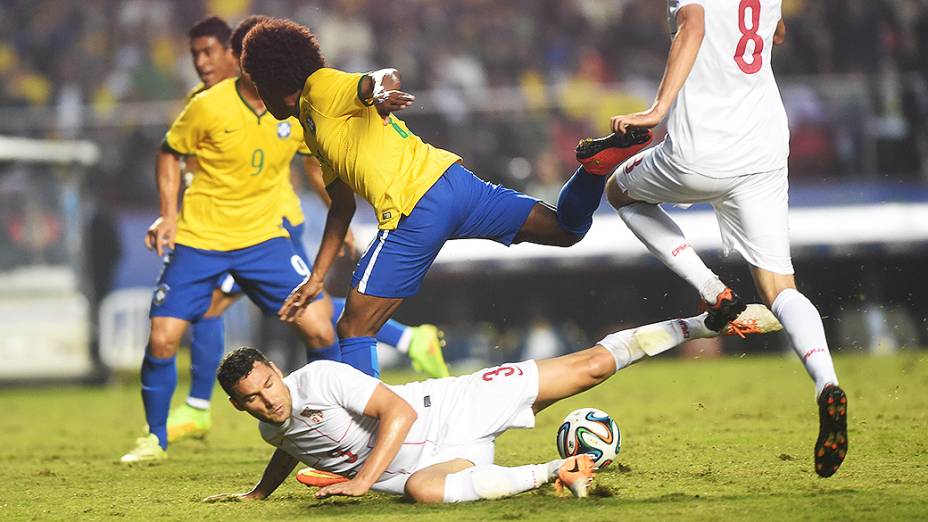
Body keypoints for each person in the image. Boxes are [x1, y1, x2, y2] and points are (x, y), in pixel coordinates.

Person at [238, 18, 654, 379]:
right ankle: (595, 167)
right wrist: (316, 278)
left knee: (354, 329)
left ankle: (359, 451)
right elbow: (342, 206)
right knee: (565, 229)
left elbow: (383, 77)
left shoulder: (320, 88)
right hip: (455, 185)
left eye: (257, 84)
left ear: (273, 80)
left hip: (413, 208)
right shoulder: (314, 128)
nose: (257, 93)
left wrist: (381, 92)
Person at [165, 16, 450, 448]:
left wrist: (339, 213)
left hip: (270, 225)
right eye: (196, 56)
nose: (203, 64)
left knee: (287, 307)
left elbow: (317, 162)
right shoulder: (202, 101)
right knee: (293, 306)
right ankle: (409, 339)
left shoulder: (275, 100)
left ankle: (200, 408)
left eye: (212, 54)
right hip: (225, 227)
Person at [600, 1, 847, 477]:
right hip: (764, 147)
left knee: (621, 192)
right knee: (780, 288)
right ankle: (827, 383)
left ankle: (713, 289)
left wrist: (658, 108)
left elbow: (692, 25)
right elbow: (772, 34)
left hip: (700, 151)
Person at [204, 308, 779, 504]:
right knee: (425, 493)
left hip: (454, 405)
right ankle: (558, 470)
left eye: (266, 386)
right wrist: (259, 493)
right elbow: (288, 446)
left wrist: (358, 484)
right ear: (238, 406)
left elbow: (397, 415)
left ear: (277, 372)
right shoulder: (271, 430)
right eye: (250, 400)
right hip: (432, 464)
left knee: (591, 368)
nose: (266, 401)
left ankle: (704, 321)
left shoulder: (322, 377)